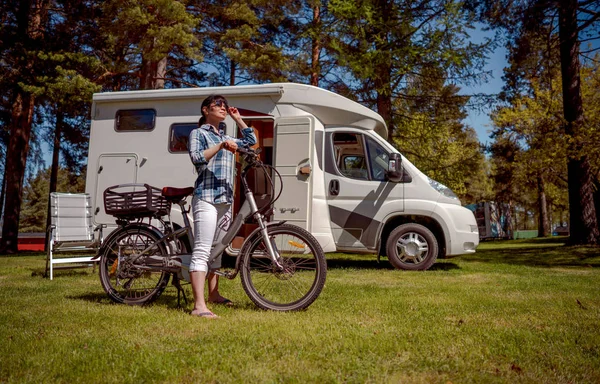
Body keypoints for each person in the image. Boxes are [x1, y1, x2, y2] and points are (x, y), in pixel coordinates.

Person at [188, 95, 256, 318]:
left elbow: (252, 141)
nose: (223, 108)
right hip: (206, 198)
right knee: (202, 250)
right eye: (218, 105)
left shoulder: (227, 135)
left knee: (216, 251)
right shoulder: (198, 133)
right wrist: (220, 146)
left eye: (225, 106)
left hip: (225, 200)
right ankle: (199, 306)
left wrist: (239, 119)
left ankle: (214, 295)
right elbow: (197, 158)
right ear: (205, 109)